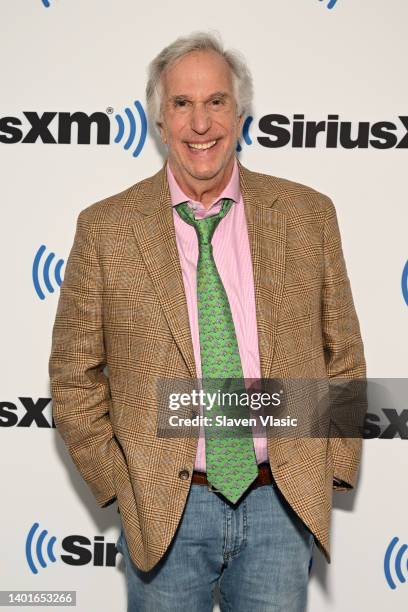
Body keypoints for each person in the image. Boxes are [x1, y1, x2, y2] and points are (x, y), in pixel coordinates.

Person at [49, 31, 366, 612]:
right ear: (159, 120)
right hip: (166, 512)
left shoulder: (308, 216)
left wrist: (331, 467)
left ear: (240, 114)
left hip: (281, 503)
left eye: (216, 101)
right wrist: (127, 484)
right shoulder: (105, 229)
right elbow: (73, 378)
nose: (201, 123)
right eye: (182, 104)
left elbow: (342, 354)